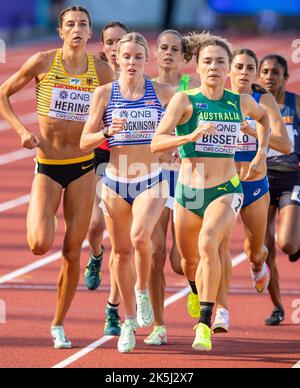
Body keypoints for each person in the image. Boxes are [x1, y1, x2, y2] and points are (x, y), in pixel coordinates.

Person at [0, 6, 113, 349]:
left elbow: (124, 105)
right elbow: (2, 93)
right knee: (39, 244)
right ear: (61, 31)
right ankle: (44, 213)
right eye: (70, 24)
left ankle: (58, 323)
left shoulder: (102, 70)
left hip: (83, 168)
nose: (77, 29)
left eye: (83, 24)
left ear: (90, 33)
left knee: (71, 252)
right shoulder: (43, 62)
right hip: (47, 166)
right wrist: (20, 129)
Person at [151, 33, 270, 351]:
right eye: (208, 61)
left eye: (220, 61)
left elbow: (264, 119)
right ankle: (194, 288)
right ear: (198, 66)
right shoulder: (184, 100)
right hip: (188, 193)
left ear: (229, 67)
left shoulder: (239, 101)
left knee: (209, 244)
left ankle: (204, 324)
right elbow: (156, 143)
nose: (214, 66)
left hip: (226, 190)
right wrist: (187, 138)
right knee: (188, 263)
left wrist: (260, 152)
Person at [80, 32, 174, 353]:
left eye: (138, 56)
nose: (132, 62)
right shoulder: (104, 94)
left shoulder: (163, 92)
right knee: (120, 254)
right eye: (126, 56)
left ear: (147, 59)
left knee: (139, 238)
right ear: (116, 59)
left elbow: (183, 128)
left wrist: (176, 148)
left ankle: (143, 289)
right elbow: (84, 140)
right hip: (116, 182)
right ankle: (130, 322)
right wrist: (107, 131)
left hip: (151, 179)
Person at [212, 49, 291, 333]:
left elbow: (285, 146)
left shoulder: (263, 100)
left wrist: (252, 133)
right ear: (229, 71)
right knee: (219, 244)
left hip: (254, 182)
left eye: (249, 68)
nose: (244, 72)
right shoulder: (215, 98)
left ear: (255, 74)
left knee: (253, 250)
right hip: (222, 182)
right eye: (239, 67)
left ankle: (258, 265)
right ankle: (221, 309)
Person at [144, 29, 200, 347]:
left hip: (186, 178)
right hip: (150, 176)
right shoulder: (144, 88)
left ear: (184, 56)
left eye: (174, 49)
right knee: (154, 252)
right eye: (162, 47)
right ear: (155, 53)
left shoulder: (192, 90)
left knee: (181, 261)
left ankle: (194, 287)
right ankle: (159, 325)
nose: (167, 53)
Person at [84, 21, 129, 338]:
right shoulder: (96, 78)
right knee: (94, 226)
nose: (114, 47)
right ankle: (96, 255)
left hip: (129, 162)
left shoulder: (139, 79)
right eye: (110, 42)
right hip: (99, 156)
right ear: (103, 46)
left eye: (120, 42)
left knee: (126, 243)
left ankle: (113, 309)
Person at [259, 55, 300, 325]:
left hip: (292, 178)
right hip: (263, 179)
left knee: (286, 243)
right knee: (265, 248)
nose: (269, 77)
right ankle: (277, 307)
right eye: (265, 72)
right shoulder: (253, 104)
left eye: (276, 72)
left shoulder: (295, 103)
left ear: (286, 77)